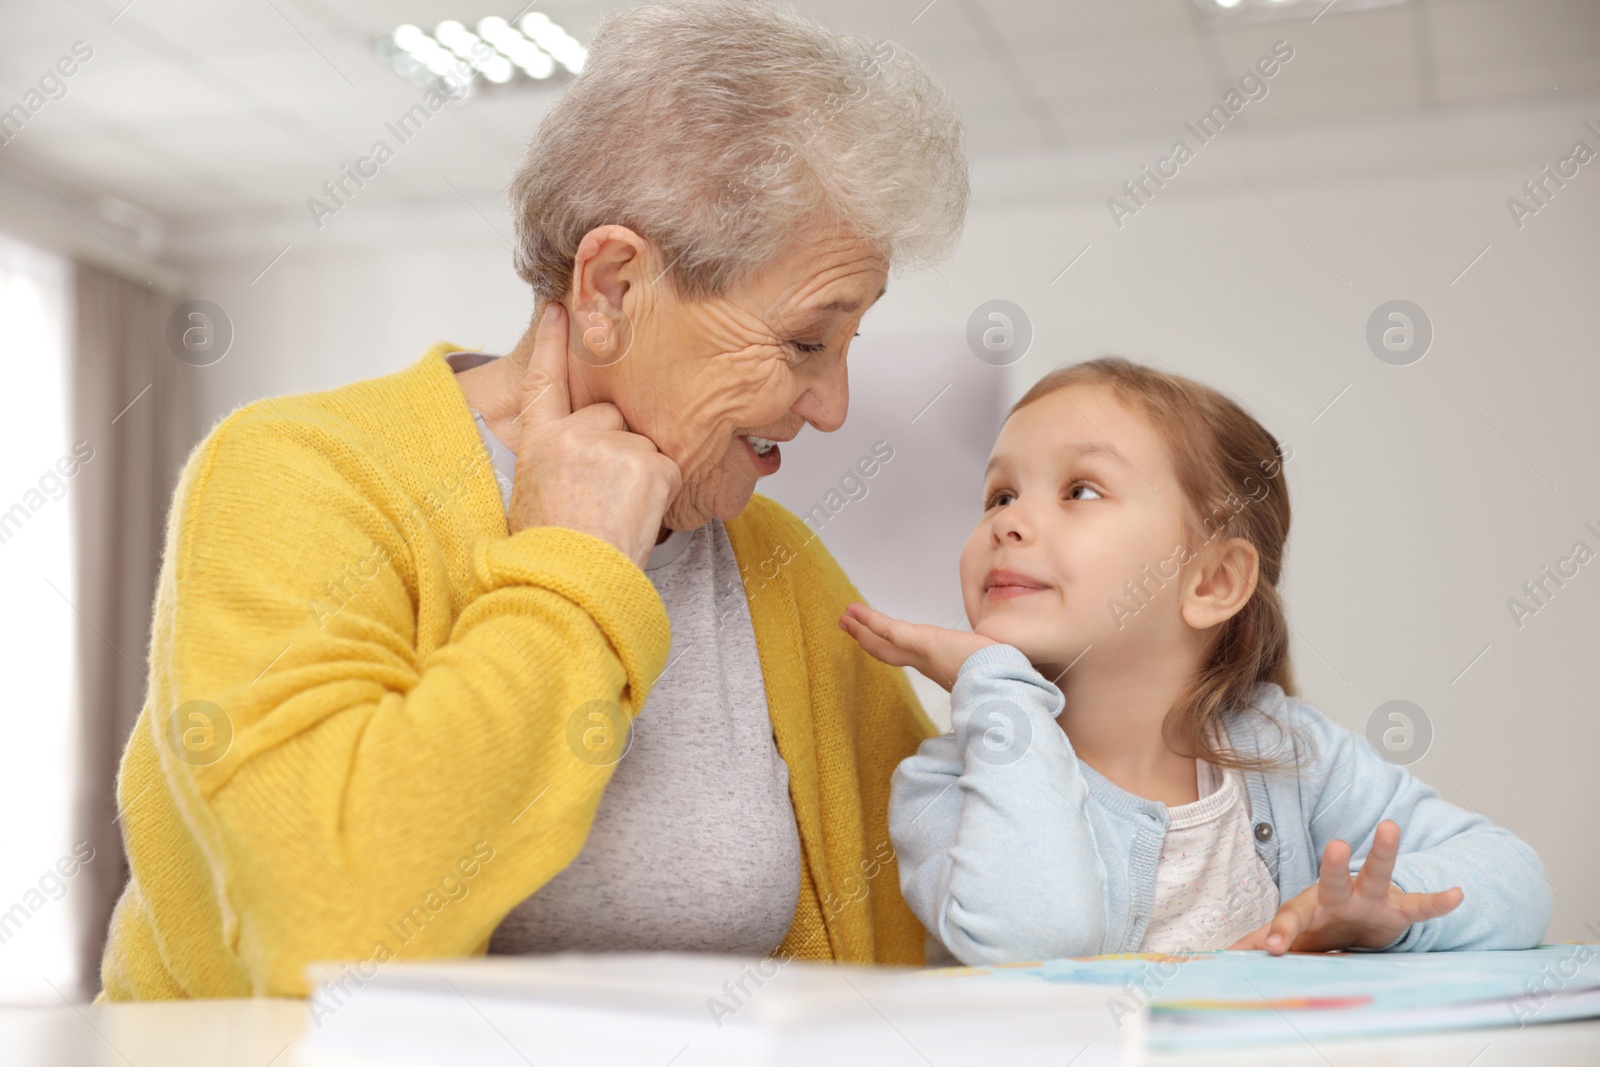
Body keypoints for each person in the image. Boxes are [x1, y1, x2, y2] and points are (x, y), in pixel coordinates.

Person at [99, 0, 968, 999]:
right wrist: (573, 568)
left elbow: (954, 910)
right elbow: (326, 926)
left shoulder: (773, 562)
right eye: (809, 340)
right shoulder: (294, 473)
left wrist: (1046, 703)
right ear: (610, 288)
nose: (832, 406)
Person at [841, 357, 1552, 965]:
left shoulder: (1289, 756)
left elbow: (1518, 881)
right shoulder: (948, 786)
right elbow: (1038, 944)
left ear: (1212, 582)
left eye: (1080, 490)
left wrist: (1382, 908)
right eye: (1000, 493)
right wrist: (993, 684)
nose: (1007, 521)